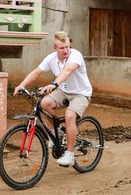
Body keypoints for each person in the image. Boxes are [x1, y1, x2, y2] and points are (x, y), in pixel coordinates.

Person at [14, 31, 92, 166]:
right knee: (44, 103)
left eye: (67, 46)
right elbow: (36, 72)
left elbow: (67, 71)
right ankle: (57, 132)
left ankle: (70, 154)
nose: (66, 50)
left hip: (81, 93)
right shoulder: (51, 58)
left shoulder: (76, 55)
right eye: (62, 48)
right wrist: (21, 85)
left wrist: (54, 83)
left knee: (69, 116)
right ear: (55, 48)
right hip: (64, 91)